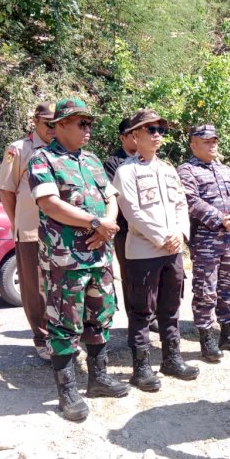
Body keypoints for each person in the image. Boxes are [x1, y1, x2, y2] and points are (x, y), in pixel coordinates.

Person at [29, 98, 130, 422]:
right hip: (67, 260)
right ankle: (67, 391)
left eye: (89, 124)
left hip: (99, 256)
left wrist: (107, 226)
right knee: (63, 322)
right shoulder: (43, 159)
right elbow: (50, 204)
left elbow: (110, 198)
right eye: (80, 123)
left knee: (101, 316)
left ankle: (97, 378)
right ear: (59, 126)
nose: (87, 129)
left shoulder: (92, 160)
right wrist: (95, 223)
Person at [113, 109, 199, 392]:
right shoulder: (126, 171)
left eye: (160, 130)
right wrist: (162, 236)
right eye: (150, 130)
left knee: (171, 306)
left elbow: (181, 205)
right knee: (141, 311)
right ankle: (141, 368)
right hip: (143, 253)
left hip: (172, 250)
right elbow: (132, 212)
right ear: (135, 135)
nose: (157, 135)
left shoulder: (168, 169)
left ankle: (172, 359)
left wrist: (180, 233)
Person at [178, 125, 230, 362]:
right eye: (207, 141)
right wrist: (222, 219)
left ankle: (228, 334)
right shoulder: (187, 170)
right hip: (205, 240)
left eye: (215, 140)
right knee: (205, 290)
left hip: (229, 239)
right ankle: (207, 339)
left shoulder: (223, 170)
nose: (213, 145)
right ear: (194, 144)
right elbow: (191, 201)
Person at [0, 102, 54, 361]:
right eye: (48, 124)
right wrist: (17, 223)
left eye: (58, 123)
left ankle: (62, 335)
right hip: (31, 230)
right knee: (35, 288)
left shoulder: (63, 150)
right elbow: (7, 190)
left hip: (61, 232)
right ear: (35, 122)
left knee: (62, 286)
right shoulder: (19, 149)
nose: (53, 129)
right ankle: (41, 338)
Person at [102, 116, 140, 323]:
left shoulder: (147, 159)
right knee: (129, 275)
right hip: (125, 229)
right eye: (132, 135)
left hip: (148, 228)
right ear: (122, 138)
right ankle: (135, 318)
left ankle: (151, 316)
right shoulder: (112, 163)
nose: (137, 138)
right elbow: (115, 196)